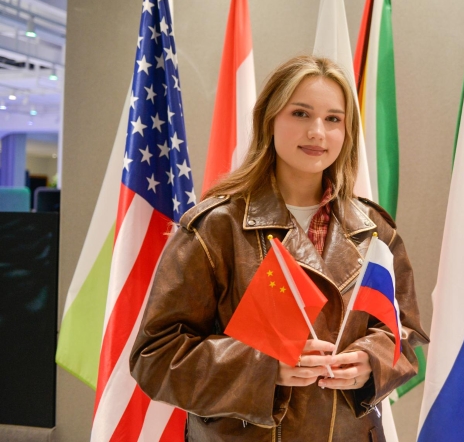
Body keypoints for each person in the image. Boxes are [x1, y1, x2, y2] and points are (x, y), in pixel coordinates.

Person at [130, 55, 428, 441]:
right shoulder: (215, 228)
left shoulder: (375, 229)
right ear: (269, 119)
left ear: (347, 132)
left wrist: (373, 360)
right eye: (300, 113)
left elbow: (405, 334)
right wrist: (263, 368)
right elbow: (155, 357)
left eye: (333, 119)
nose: (317, 132)